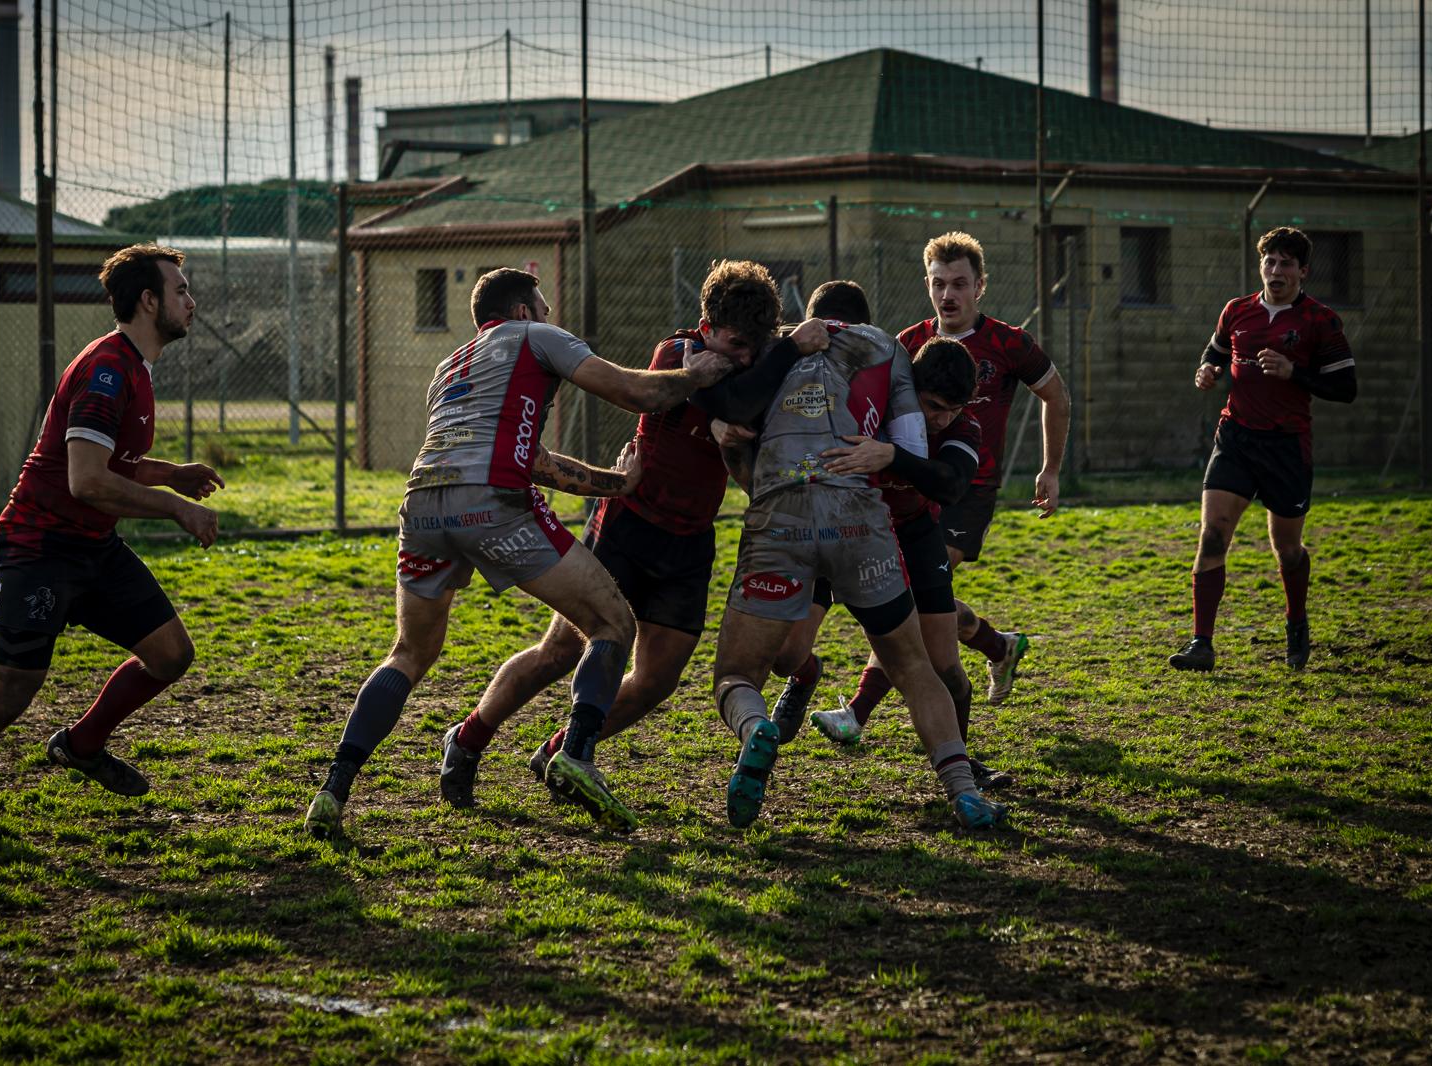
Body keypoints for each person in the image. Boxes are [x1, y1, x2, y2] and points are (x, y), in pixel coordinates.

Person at [302, 268, 735, 838]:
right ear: (524, 311)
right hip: (493, 503)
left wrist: (618, 483)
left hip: (422, 504)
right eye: (544, 306)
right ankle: (576, 755)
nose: (551, 315)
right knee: (611, 623)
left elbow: (536, 461)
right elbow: (639, 393)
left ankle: (333, 789)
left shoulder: (451, 366)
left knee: (408, 653)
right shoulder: (537, 337)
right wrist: (694, 374)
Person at [0, 244, 224, 841]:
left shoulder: (133, 367)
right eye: (181, 290)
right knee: (7, 695)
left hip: (92, 546)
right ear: (149, 301)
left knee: (171, 655)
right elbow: (86, 480)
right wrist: (176, 508)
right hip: (39, 549)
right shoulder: (107, 370)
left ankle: (82, 743)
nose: (191, 302)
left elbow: (109, 463)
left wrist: (171, 474)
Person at [431, 261, 800, 809]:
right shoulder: (676, 354)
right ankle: (467, 738)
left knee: (656, 681)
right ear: (706, 326)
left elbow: (748, 472)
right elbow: (701, 395)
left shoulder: (753, 377)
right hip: (629, 524)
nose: (742, 358)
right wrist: (732, 405)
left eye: (754, 347)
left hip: (690, 541)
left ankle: (560, 752)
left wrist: (734, 446)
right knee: (559, 651)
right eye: (734, 344)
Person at [710, 279, 1006, 832]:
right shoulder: (886, 350)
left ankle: (755, 728)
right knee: (913, 666)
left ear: (812, 320)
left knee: (736, 672)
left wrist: (726, 433)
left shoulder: (775, 349)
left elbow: (734, 417)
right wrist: (887, 452)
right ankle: (963, 792)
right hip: (862, 525)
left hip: (790, 522)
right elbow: (913, 445)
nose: (941, 417)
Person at [764, 335, 1008, 787]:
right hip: (842, 531)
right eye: (933, 406)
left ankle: (961, 765)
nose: (941, 419)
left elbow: (951, 485)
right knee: (785, 654)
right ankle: (805, 674)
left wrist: (892, 456)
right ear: (909, 386)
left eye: (953, 409)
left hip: (913, 534)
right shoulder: (870, 403)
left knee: (946, 667)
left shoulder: (962, 428)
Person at [1169, 227, 1356, 672]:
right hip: (1236, 438)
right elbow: (1214, 353)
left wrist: (1295, 373)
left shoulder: (1320, 320)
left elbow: (1346, 388)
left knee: (1287, 549)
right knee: (1212, 536)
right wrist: (1206, 371)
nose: (1276, 270)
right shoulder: (1237, 310)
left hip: (1287, 446)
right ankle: (1201, 643)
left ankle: (1296, 621)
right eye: (1269, 261)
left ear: (1303, 271)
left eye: (1286, 263)